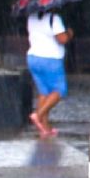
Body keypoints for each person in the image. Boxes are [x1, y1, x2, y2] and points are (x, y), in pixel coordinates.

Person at [26, 10, 73, 138]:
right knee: (59, 90)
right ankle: (38, 115)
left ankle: (45, 128)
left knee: (44, 92)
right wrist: (69, 33)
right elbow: (62, 39)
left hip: (33, 57)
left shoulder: (31, 17)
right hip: (50, 58)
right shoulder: (54, 18)